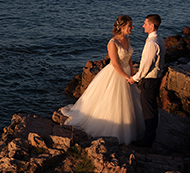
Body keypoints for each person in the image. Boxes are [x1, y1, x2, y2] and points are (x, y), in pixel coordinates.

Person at [60, 15, 144, 145]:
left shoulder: (127, 39)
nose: (132, 27)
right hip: (116, 74)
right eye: (129, 26)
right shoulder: (113, 43)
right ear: (121, 27)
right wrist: (127, 77)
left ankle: (128, 131)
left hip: (128, 73)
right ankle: (114, 132)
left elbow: (129, 57)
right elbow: (115, 64)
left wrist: (132, 73)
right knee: (114, 102)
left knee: (129, 103)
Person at [127, 14, 165, 147]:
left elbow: (145, 67)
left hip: (149, 80)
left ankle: (147, 140)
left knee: (148, 110)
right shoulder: (159, 39)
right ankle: (151, 136)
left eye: (145, 24)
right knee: (152, 108)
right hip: (155, 79)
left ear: (152, 26)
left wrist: (134, 79)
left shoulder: (152, 43)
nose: (143, 26)